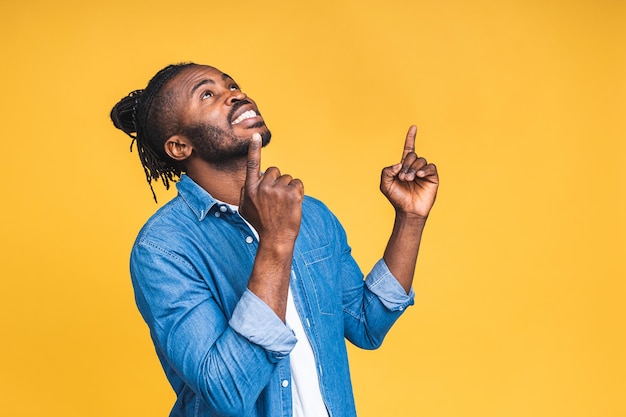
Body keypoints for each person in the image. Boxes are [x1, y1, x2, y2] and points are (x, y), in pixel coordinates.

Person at [110, 62, 439, 417]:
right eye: (208, 94)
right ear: (179, 146)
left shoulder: (310, 214)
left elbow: (366, 324)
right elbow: (228, 389)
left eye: (231, 84)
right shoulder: (163, 248)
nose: (235, 94)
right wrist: (276, 242)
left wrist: (410, 219)